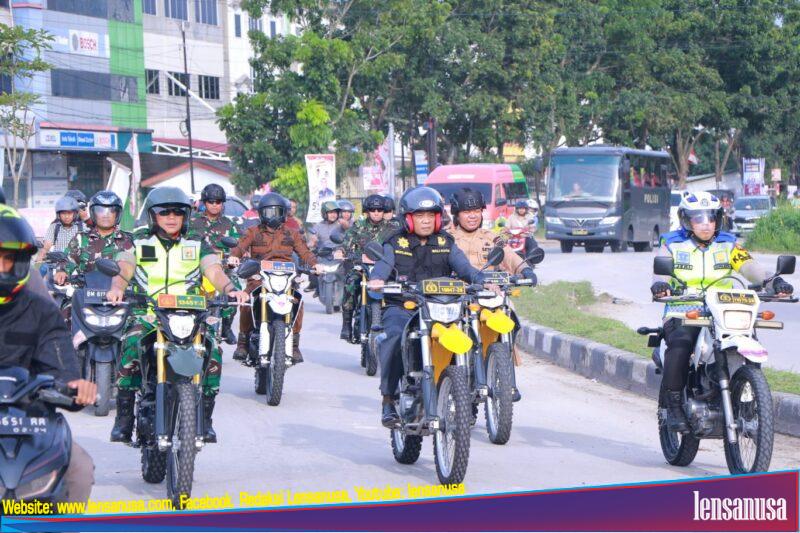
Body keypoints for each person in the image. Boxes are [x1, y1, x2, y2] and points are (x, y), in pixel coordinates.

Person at [106, 187, 249, 444]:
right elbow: (124, 266)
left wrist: (229, 289)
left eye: (177, 212)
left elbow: (213, 269)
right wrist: (117, 288)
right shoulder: (138, 239)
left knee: (212, 352)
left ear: (185, 216)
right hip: (148, 313)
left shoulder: (196, 241)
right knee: (130, 346)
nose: (171, 217)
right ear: (153, 215)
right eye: (164, 212)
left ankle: (204, 419)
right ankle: (124, 419)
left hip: (190, 314)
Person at [650, 191, 793, 432]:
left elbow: (751, 267)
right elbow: (660, 272)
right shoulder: (672, 244)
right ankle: (673, 407)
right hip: (684, 308)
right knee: (681, 344)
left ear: (719, 219)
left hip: (725, 308)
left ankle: (747, 395)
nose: (706, 224)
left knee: (749, 340)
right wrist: (660, 285)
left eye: (711, 218)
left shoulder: (727, 244)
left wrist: (773, 282)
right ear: (686, 220)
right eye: (698, 218)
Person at [0, 204, 97, 504]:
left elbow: (62, 368)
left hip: (28, 415)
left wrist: (74, 387)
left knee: (80, 470)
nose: (1, 267)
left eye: (8, 259)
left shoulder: (42, 311)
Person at [367, 186, 484, 427]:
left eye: (431, 215)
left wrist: (482, 281)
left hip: (440, 307)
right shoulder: (395, 242)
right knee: (393, 337)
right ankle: (388, 399)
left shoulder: (445, 242)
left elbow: (465, 268)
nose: (426, 221)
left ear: (439, 218)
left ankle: (467, 395)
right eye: (420, 216)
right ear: (408, 218)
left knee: (470, 335)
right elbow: (383, 266)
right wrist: (378, 279)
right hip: (404, 307)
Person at [447, 188, 537, 402]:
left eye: (476, 210)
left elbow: (509, 256)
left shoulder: (491, 238)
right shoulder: (446, 238)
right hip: (458, 298)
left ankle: (507, 375)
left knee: (511, 315)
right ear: (457, 214)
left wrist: (525, 270)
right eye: (467, 211)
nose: (472, 215)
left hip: (490, 296)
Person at [229, 193, 322, 363]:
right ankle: (242, 342)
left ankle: (294, 344)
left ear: (283, 213)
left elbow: (304, 252)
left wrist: (315, 264)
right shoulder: (253, 231)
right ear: (261, 213)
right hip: (259, 277)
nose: (273, 215)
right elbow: (239, 247)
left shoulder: (292, 233)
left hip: (286, 278)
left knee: (297, 301)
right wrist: (233, 257)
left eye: (276, 211)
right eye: (268, 212)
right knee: (247, 300)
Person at [339, 194, 400, 340]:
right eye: (373, 209)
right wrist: (341, 252)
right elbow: (346, 244)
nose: (377, 212)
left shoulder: (393, 228)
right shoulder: (358, 227)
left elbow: (400, 246)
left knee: (400, 286)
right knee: (350, 283)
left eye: (379, 209)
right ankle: (346, 324)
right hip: (362, 267)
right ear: (367, 211)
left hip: (385, 269)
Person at [189, 184, 242, 345]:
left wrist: (234, 258)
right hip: (196, 270)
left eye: (218, 201)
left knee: (235, 292)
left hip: (223, 270)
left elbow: (237, 247)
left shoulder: (229, 224)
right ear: (205, 202)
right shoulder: (192, 223)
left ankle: (226, 326)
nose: (214, 205)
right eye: (211, 201)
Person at [54, 191, 134, 286]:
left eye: (111, 211)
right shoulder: (81, 239)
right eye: (100, 210)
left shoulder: (129, 240)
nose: (106, 215)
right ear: (93, 213)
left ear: (117, 214)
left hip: (120, 297)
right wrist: (62, 271)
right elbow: (67, 260)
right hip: (86, 296)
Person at [38, 196, 83, 263]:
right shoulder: (54, 227)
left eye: (69, 213)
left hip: (78, 267)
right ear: (58, 215)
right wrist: (40, 257)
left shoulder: (82, 228)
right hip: (58, 265)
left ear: (75, 214)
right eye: (63, 213)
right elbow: (46, 247)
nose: (66, 216)